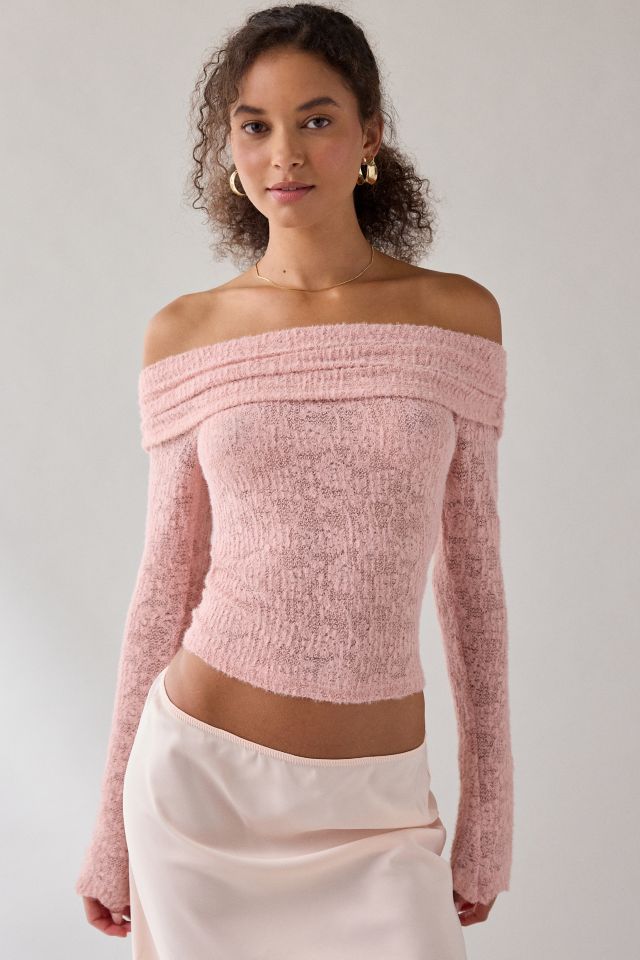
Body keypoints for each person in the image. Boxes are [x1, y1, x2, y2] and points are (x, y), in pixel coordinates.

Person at [75, 4, 514, 957]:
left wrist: (489, 808)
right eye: (255, 125)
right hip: (202, 791)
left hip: (380, 806)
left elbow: (473, 582)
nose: (285, 154)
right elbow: (163, 587)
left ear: (370, 135)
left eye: (317, 120)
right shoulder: (187, 333)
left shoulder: (455, 319)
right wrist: (109, 825)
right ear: (229, 147)